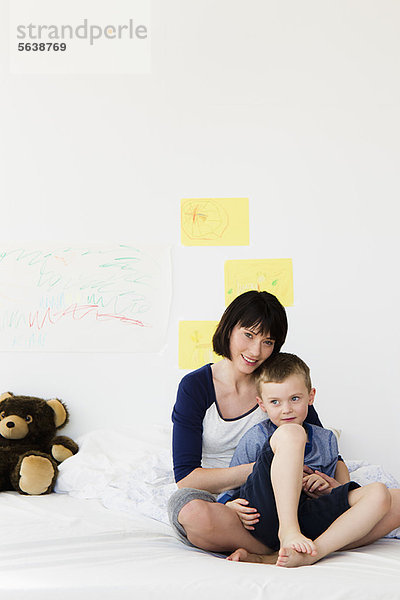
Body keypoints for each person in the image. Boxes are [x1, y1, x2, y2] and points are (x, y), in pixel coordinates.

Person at [168, 290, 349, 554]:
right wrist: (267, 469)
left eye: (268, 342)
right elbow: (186, 479)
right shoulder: (196, 386)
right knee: (193, 513)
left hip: (280, 497)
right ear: (229, 329)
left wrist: (337, 488)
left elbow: (323, 444)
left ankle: (283, 543)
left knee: (389, 502)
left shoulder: (277, 385)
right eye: (249, 335)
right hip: (224, 501)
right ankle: (274, 552)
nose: (255, 351)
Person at [223, 353, 392, 567]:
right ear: (262, 404)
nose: (286, 409)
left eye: (295, 399)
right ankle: (288, 531)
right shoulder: (256, 437)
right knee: (292, 433)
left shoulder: (326, 439)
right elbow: (229, 489)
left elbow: (333, 493)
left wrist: (327, 487)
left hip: (308, 519)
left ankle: (312, 552)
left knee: (380, 493)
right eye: (275, 402)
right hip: (263, 513)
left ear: (310, 397)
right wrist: (228, 505)